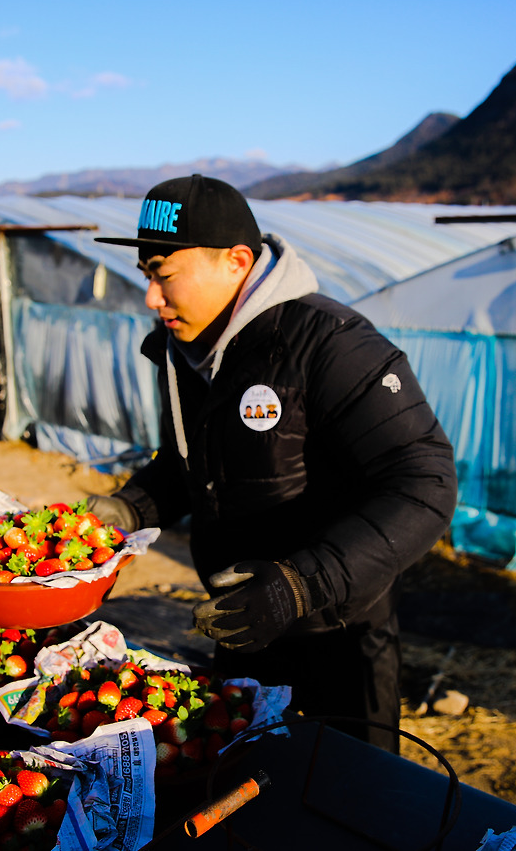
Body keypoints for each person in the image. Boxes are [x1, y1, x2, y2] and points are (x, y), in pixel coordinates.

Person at [89, 174, 457, 752]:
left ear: (236, 261)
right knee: (241, 778)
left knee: (348, 790)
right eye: (145, 276)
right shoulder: (185, 351)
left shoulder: (331, 343)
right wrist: (129, 508)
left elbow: (425, 482)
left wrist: (300, 586)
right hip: (241, 622)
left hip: (338, 634)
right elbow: (192, 461)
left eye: (164, 275)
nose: (151, 298)